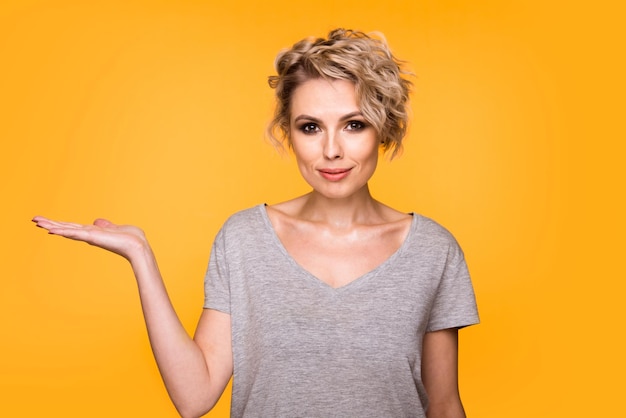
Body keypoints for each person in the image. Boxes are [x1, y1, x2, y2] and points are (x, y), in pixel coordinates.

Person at [33, 28, 479, 418]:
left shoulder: (432, 251)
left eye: (353, 124)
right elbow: (194, 397)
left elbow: (443, 406)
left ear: (384, 128)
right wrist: (140, 256)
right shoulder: (244, 239)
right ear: (288, 132)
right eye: (310, 127)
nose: (330, 151)